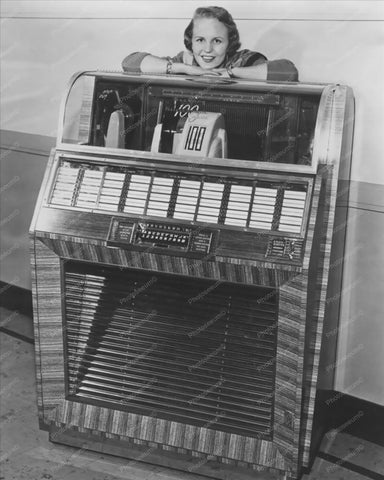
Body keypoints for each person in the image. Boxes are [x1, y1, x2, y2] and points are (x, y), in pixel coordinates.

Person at [122, 6, 298, 82]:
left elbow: (288, 72)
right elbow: (130, 63)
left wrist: (231, 73)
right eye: (200, 40)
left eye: (217, 41)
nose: (207, 50)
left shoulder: (245, 61)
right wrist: (184, 68)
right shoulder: (185, 61)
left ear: (230, 42)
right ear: (190, 41)